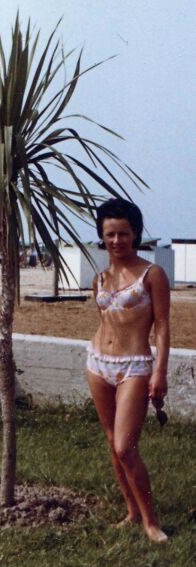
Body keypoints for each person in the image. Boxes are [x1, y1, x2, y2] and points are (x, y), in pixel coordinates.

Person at [87, 198, 169, 543]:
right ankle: (132, 511)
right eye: (110, 234)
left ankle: (152, 522)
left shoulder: (152, 274)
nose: (117, 240)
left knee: (125, 447)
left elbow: (162, 327)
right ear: (102, 236)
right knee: (111, 441)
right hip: (97, 363)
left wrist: (160, 372)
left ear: (135, 234)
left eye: (123, 233)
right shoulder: (100, 277)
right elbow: (105, 321)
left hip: (134, 366)